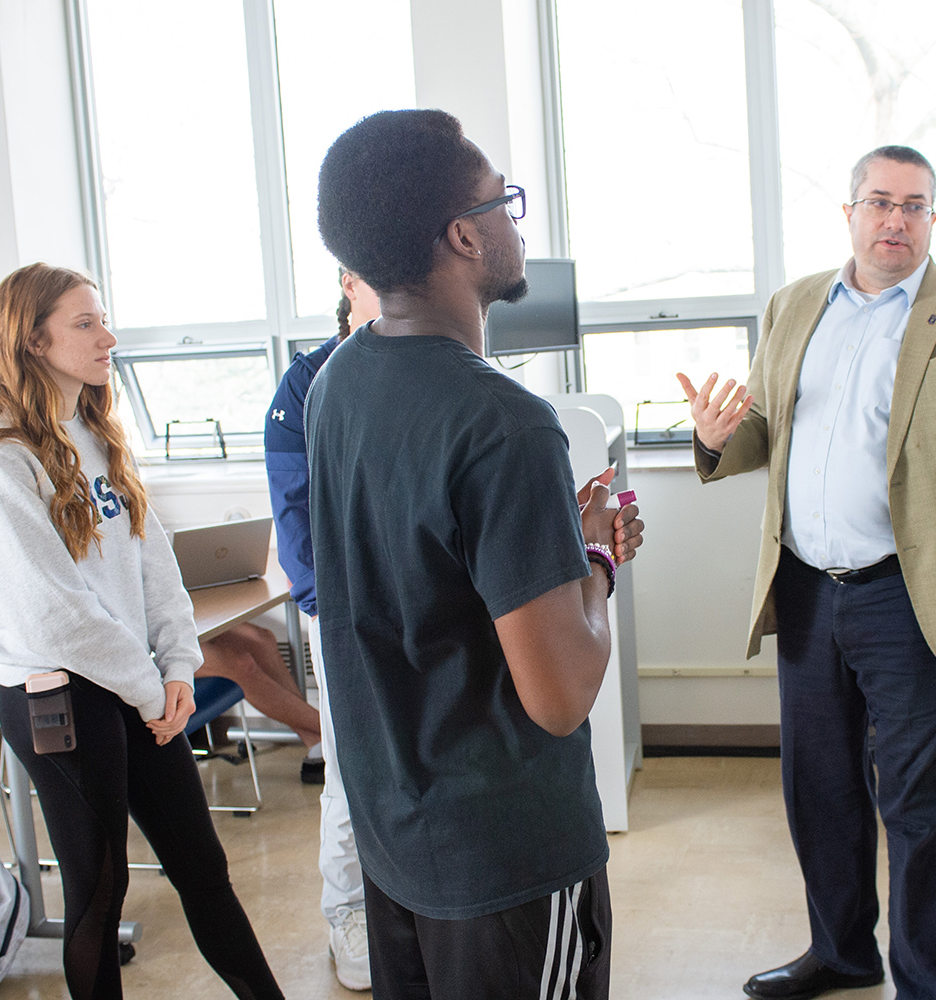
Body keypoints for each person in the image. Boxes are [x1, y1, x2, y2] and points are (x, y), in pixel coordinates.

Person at [679, 145, 936, 1000]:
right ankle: (841, 951)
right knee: (818, 790)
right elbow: (763, 428)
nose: (897, 220)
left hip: (911, 593)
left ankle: (927, 985)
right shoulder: (792, 305)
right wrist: (714, 437)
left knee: (921, 808)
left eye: (916, 206)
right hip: (809, 590)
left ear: (933, 219)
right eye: (881, 202)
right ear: (850, 211)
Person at [308, 108, 643, 999]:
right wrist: (596, 565)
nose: (514, 220)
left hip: (396, 842)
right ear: (463, 235)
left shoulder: (337, 382)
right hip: (507, 865)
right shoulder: (505, 423)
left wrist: (551, 545)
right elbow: (563, 695)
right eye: (505, 201)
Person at [0, 263, 286, 1000]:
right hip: (61, 699)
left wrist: (176, 668)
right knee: (101, 893)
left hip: (136, 688)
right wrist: (148, 688)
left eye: (102, 320)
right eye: (85, 323)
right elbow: (53, 612)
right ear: (32, 340)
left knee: (204, 869)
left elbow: (151, 557)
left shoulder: (92, 431)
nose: (108, 336)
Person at [263, 265, 380, 989]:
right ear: (347, 280)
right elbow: (294, 513)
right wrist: (327, 608)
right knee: (350, 767)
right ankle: (348, 913)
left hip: (420, 611)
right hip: (342, 614)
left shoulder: (424, 360)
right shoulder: (307, 383)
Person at [193, 620, 322, 777]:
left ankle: (317, 742)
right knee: (240, 665)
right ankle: (335, 734)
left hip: (180, 622)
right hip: (158, 658)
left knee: (260, 639)